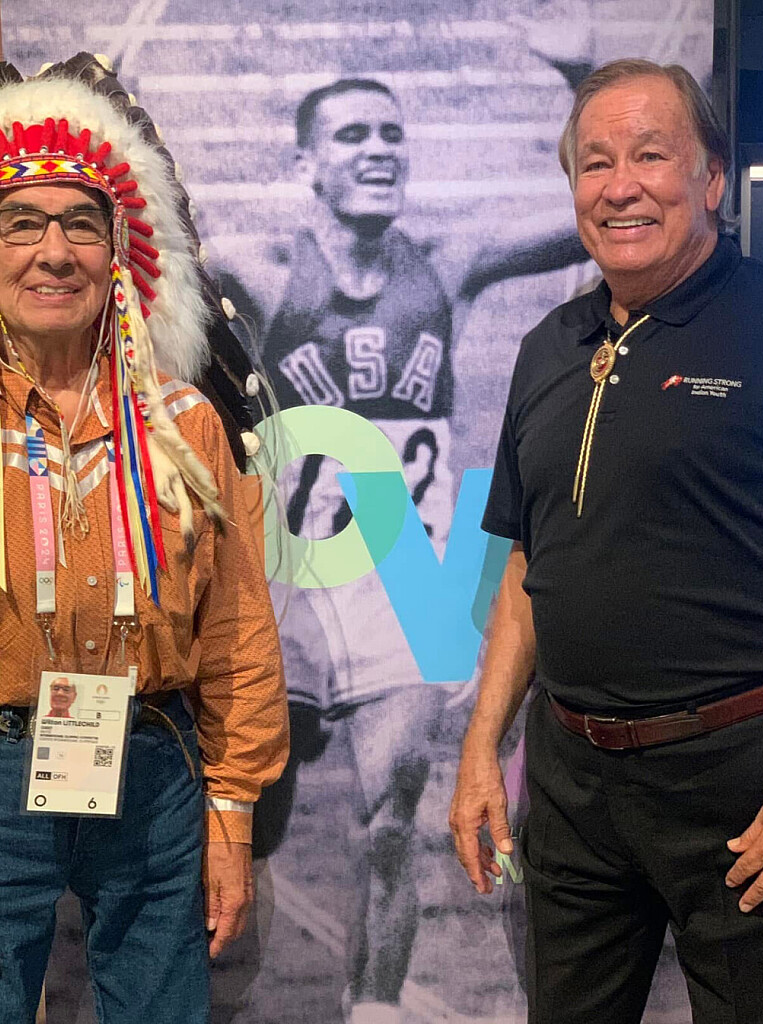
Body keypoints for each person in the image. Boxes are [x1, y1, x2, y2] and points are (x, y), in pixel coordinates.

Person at [0, 56, 288, 1024]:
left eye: (80, 222)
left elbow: (237, 634)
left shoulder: (184, 427)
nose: (54, 251)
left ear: (118, 250)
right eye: (23, 223)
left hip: (154, 772)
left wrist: (231, 812)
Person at [217, 76, 584, 1023]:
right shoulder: (265, 269)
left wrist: (581, 82)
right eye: (351, 135)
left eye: (389, 132)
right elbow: (145, 249)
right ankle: (221, 998)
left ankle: (372, 1012)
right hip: (294, 577)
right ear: (307, 162)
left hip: (406, 578)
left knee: (390, 820)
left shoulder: (446, 264)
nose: (377, 148)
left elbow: (587, 219)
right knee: (252, 821)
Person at [449, 57, 763, 1024]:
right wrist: (480, 749)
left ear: (711, 178)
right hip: (572, 781)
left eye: (650, 155)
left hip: (745, 785)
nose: (619, 186)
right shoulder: (546, 348)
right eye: (594, 163)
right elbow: (528, 566)